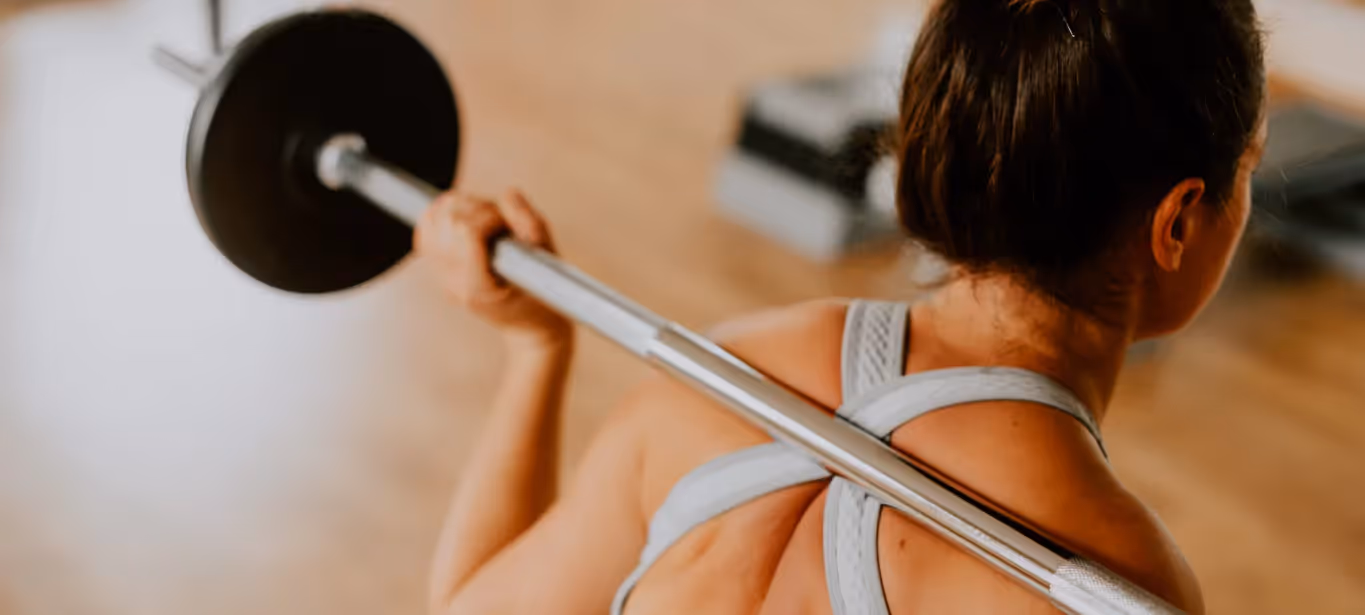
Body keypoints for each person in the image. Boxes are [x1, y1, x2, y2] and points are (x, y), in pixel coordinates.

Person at [417, 0, 1267, 612]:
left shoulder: (714, 376)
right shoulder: (1114, 580)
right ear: (1178, 220)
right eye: (1251, 167)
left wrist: (535, 350)